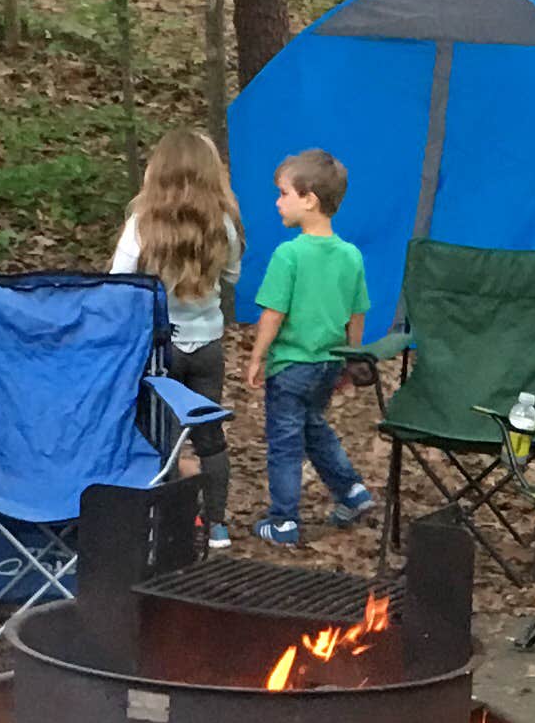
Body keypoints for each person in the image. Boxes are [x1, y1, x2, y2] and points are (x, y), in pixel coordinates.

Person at [111, 127, 242, 545]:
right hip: (207, 346)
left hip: (158, 351)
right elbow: (234, 274)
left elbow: (118, 282)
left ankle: (167, 521)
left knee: (160, 435)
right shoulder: (223, 223)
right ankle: (217, 523)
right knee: (208, 436)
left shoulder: (142, 223)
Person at [245, 149, 374, 545]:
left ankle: (283, 520)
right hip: (328, 364)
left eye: (283, 193)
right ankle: (352, 491)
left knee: (284, 442)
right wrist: (351, 361)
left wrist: (256, 356)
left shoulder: (289, 255)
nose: (277, 202)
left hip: (291, 366)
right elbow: (356, 315)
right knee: (314, 428)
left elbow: (273, 313)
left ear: (309, 199)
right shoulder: (351, 256)